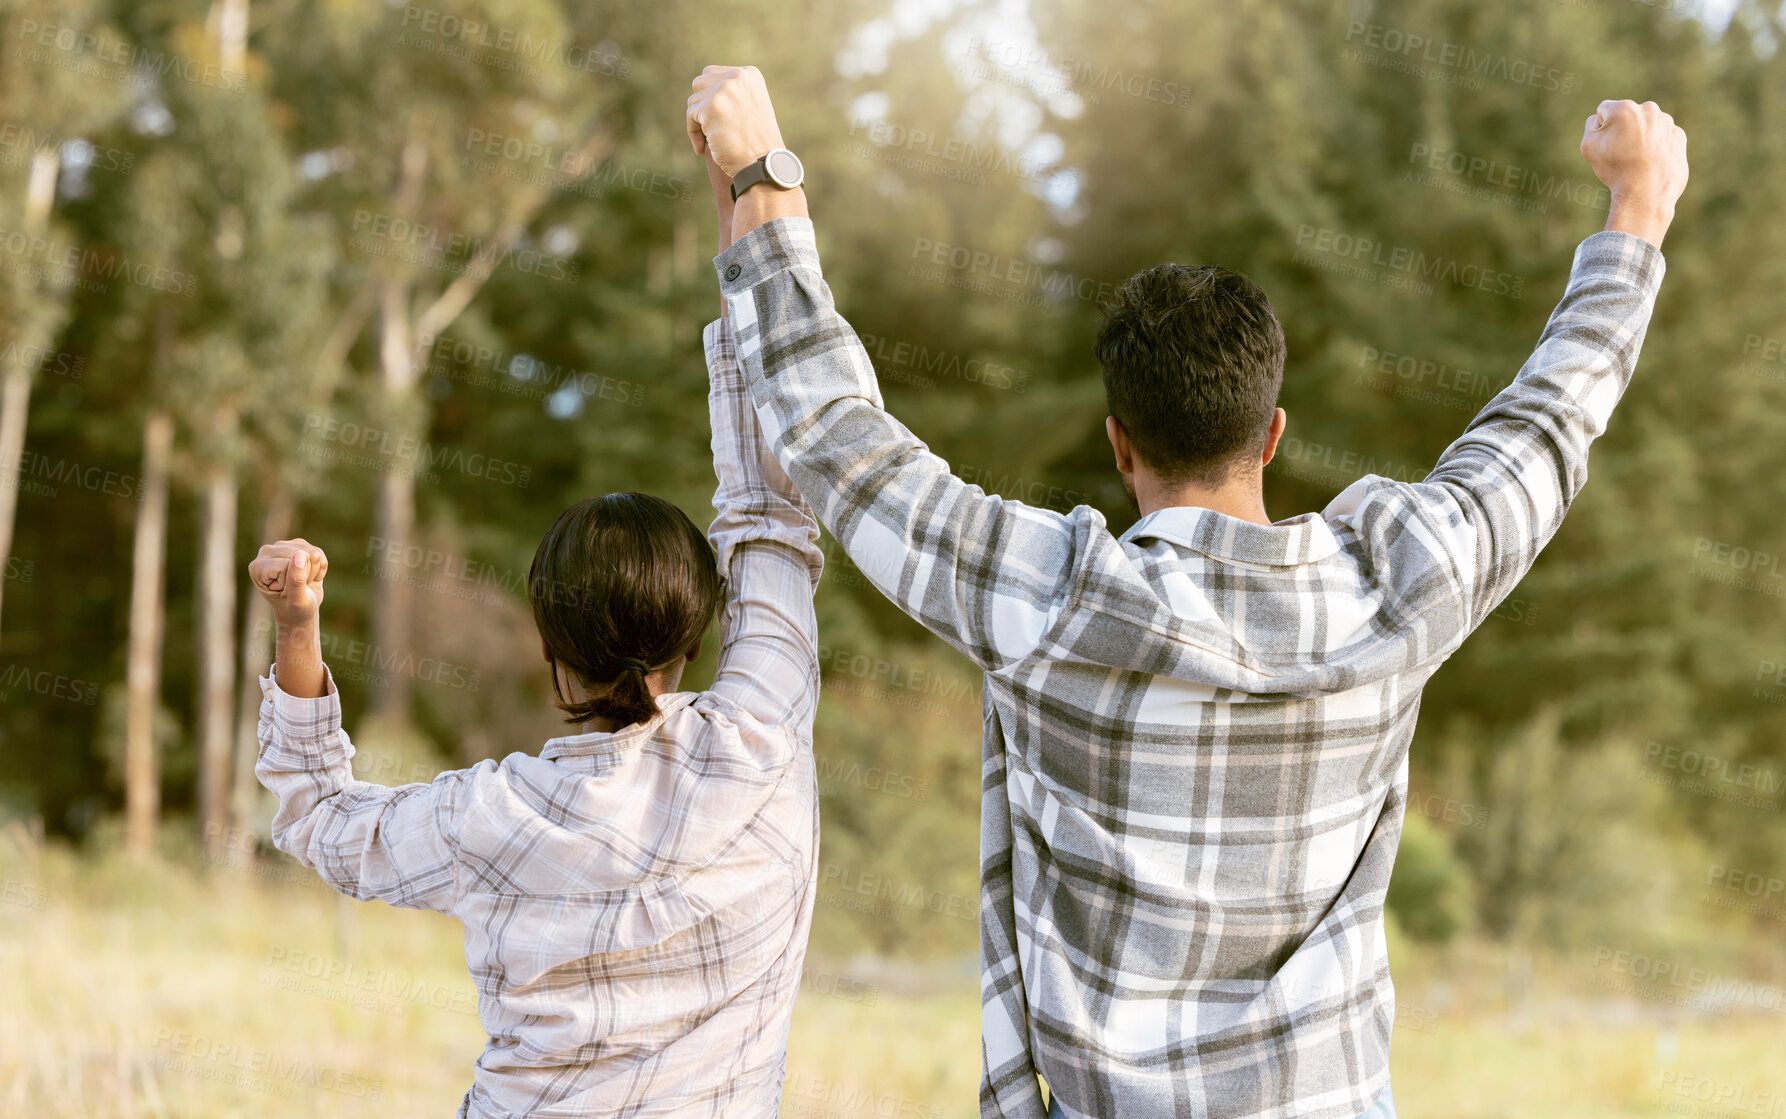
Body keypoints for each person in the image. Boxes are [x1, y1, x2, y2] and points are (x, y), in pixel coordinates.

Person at [686, 64, 1687, 1119]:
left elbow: (841, 441)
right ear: (1271, 435)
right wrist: (1638, 208)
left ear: (1118, 447)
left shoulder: (1052, 603)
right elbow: (1546, 422)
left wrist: (767, 177)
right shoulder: (1397, 588)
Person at [248, 168, 825, 1115]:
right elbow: (769, 508)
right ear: (702, 623)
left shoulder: (495, 816)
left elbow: (317, 815)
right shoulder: (765, 736)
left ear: (549, 647)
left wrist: (298, 625)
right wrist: (749, 206)